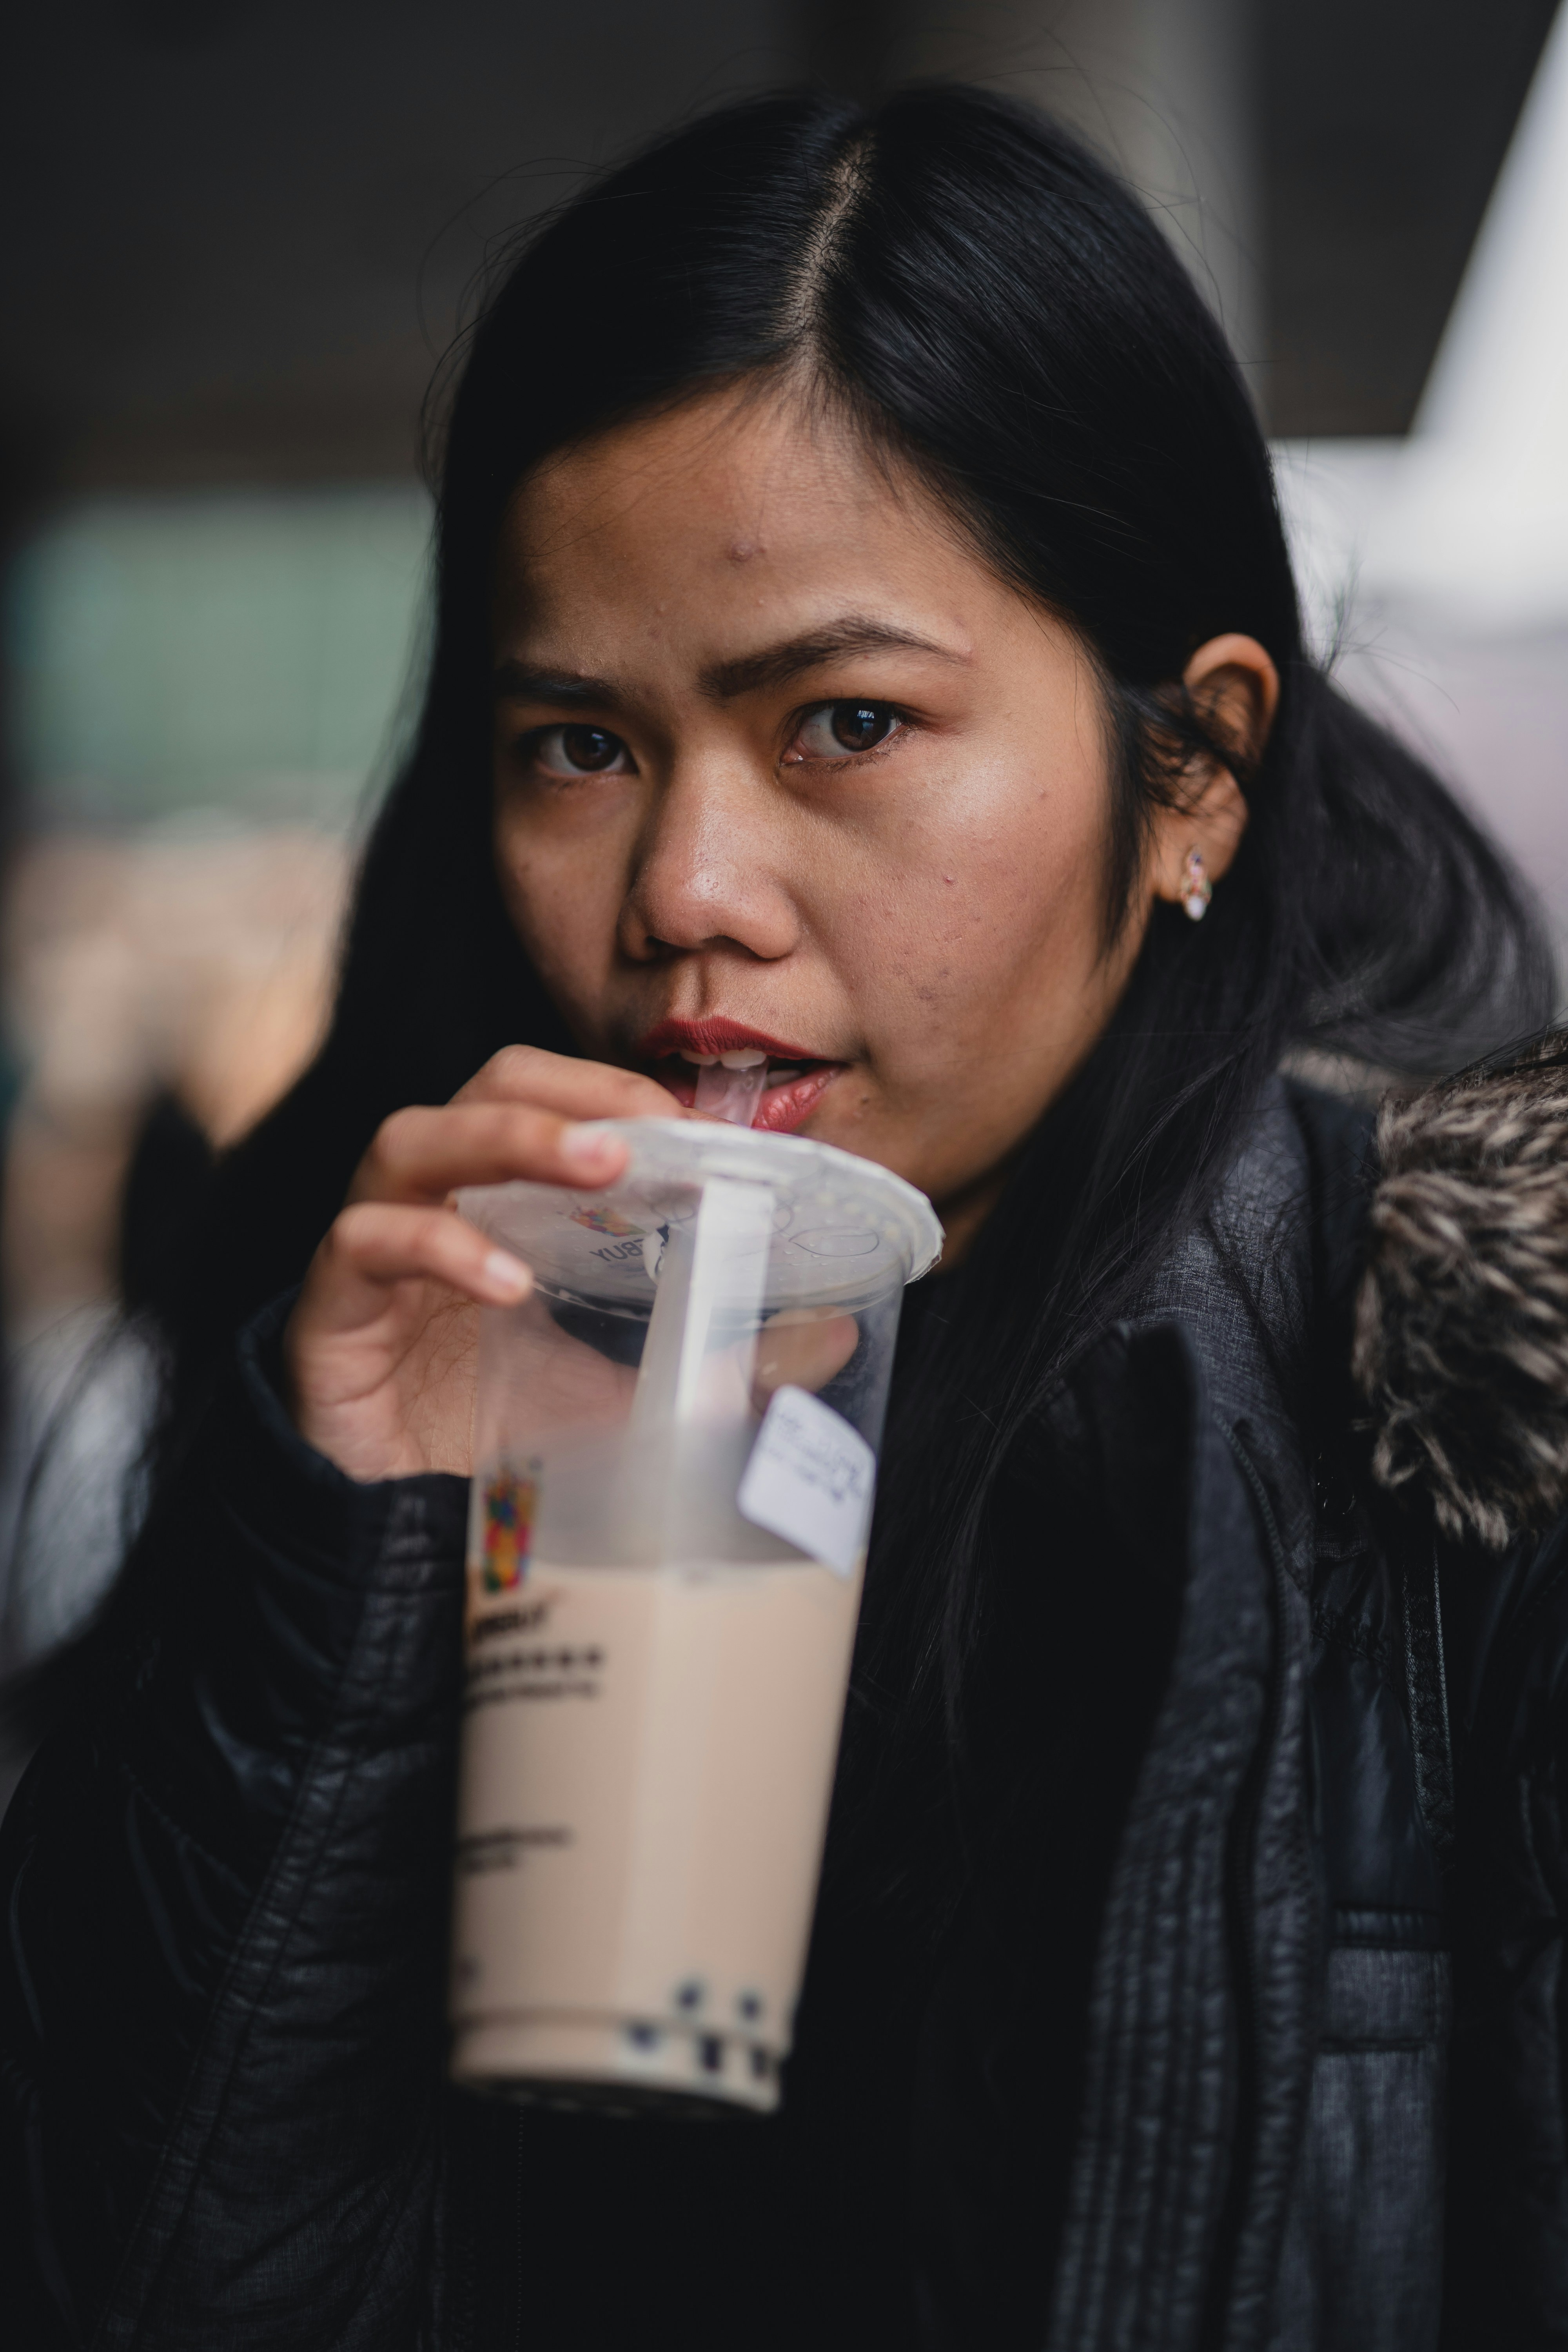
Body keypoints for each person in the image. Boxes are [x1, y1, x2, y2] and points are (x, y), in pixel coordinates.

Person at [3, 84, 1565, 2352]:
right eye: (577, 743)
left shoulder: (1482, 1436)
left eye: (840, 721)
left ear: (1194, 772)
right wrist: (334, 1572)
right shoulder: (436, 1336)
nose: (682, 898)